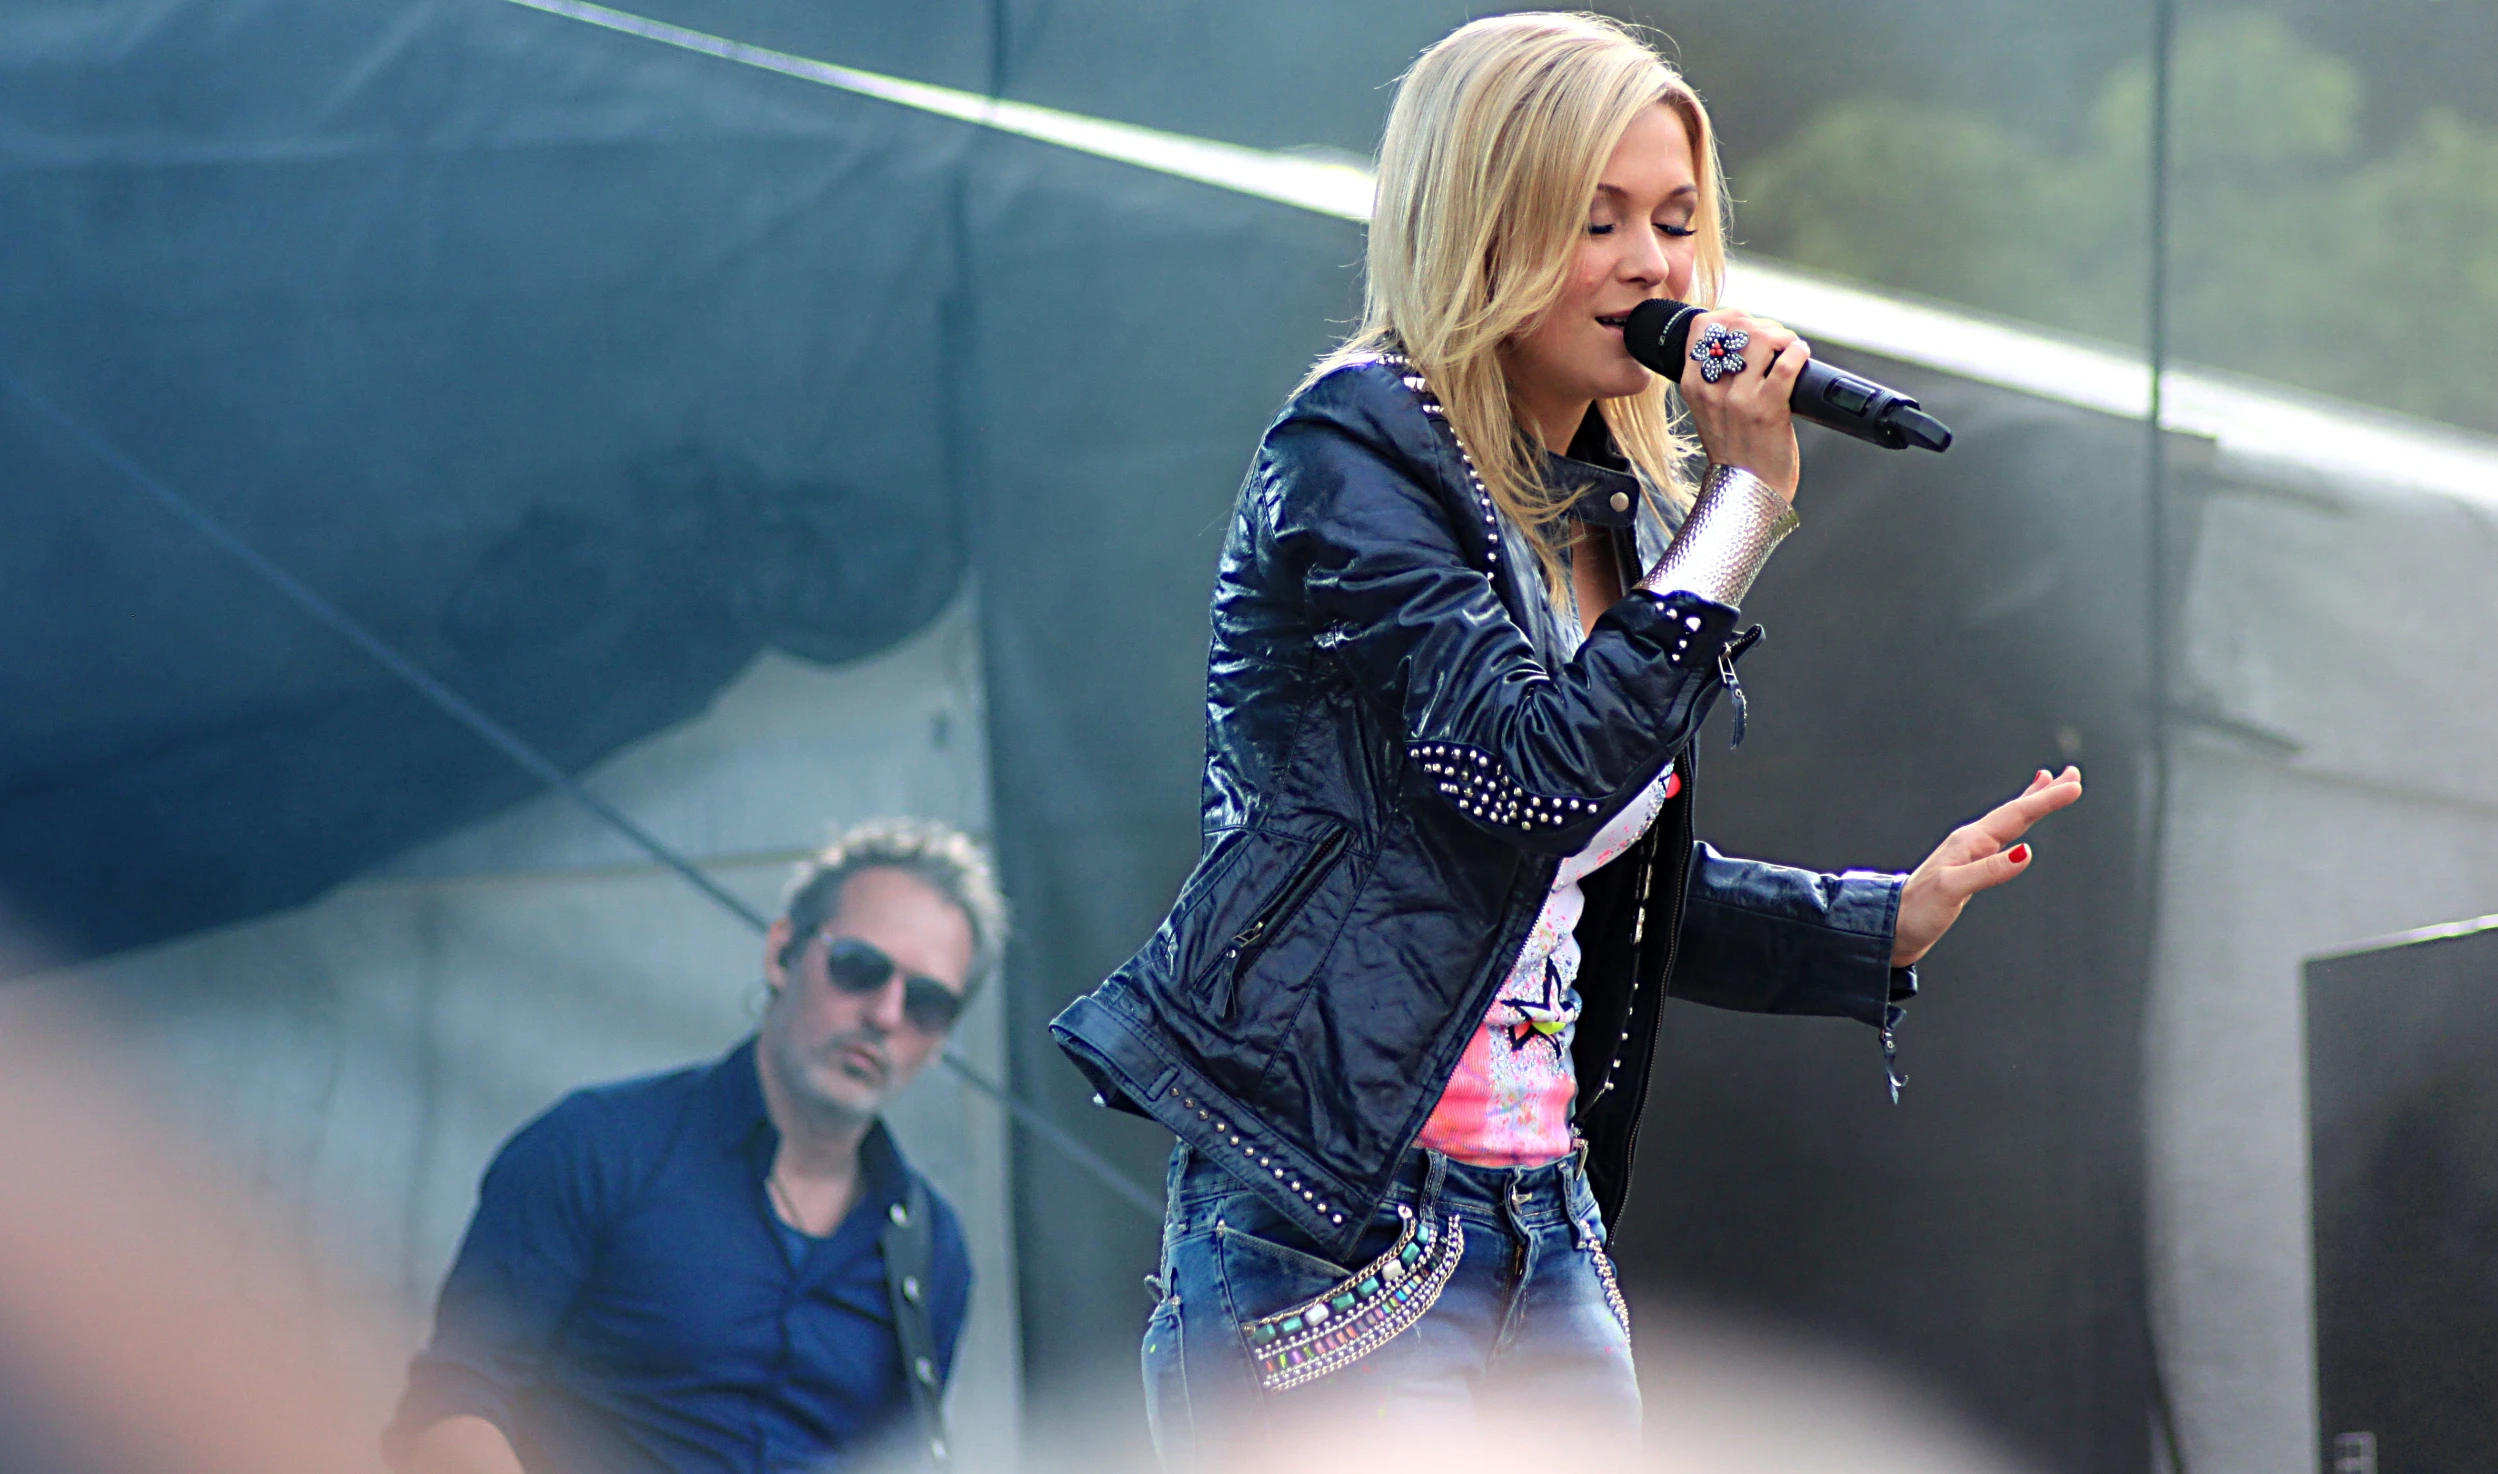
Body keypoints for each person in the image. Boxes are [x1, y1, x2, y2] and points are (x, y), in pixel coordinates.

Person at [1048, 12, 2085, 1463]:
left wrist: (1876, 925)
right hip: (1341, 1216)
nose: (1651, 264)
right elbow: (1522, 773)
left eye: (1671, 221)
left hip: (1541, 1210)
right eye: (1593, 220)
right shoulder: (1355, 451)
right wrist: (1740, 511)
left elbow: (1587, 881)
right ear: (1482, 224)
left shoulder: (1605, 509)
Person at [386, 818, 1005, 1474]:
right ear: (781, 954)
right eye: (860, 967)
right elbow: (451, 1404)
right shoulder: (593, 1146)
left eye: (928, 1002)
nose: (884, 1015)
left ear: (941, 1040)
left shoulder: (932, 1247)